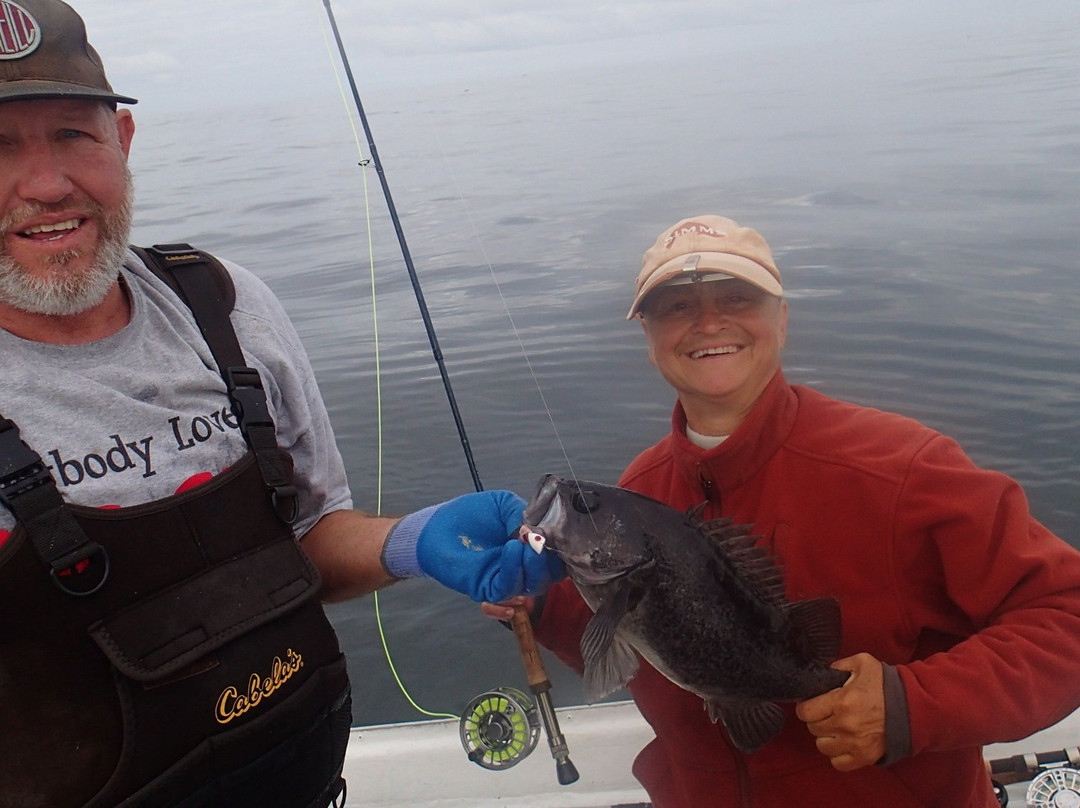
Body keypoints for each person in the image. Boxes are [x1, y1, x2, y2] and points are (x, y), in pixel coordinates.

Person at [0, 2, 561, 806]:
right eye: (1, 147)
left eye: (72, 136)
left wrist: (412, 542)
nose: (47, 184)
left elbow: (307, 535)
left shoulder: (221, 304)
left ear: (120, 144)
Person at [488, 214, 1080, 807]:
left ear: (783, 319)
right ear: (648, 335)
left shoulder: (905, 470)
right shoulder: (642, 486)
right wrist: (537, 604)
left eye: (737, 297)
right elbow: (647, 646)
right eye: (674, 306)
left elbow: (1067, 616)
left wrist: (910, 706)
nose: (708, 322)